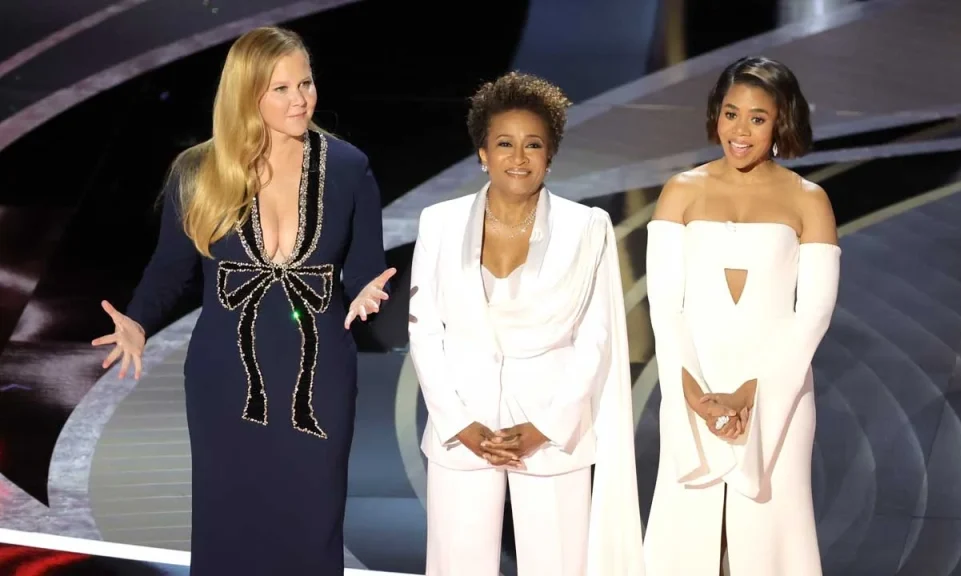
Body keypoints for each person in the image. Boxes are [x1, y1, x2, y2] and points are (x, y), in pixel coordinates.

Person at [91, 27, 394, 575]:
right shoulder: (198, 170)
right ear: (245, 93)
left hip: (318, 372)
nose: (300, 99)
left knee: (311, 518)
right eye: (280, 88)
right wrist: (137, 321)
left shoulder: (349, 167)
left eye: (306, 83)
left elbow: (366, 264)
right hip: (224, 377)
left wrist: (372, 288)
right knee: (229, 520)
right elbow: (169, 270)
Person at [407, 71, 644, 576]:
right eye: (504, 144)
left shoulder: (588, 227)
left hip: (552, 432)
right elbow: (424, 330)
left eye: (533, 144)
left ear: (550, 153)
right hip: (462, 429)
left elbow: (596, 337)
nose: (518, 158)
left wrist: (549, 426)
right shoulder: (438, 223)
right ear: (482, 152)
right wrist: (458, 423)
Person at [643, 56, 840, 576]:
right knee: (690, 525)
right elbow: (665, 305)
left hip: (779, 389)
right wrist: (694, 393)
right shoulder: (680, 191)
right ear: (716, 115)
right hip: (693, 385)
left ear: (781, 122)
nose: (740, 130)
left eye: (757, 117)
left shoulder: (809, 200)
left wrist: (753, 391)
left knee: (770, 526)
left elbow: (814, 313)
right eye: (731, 114)